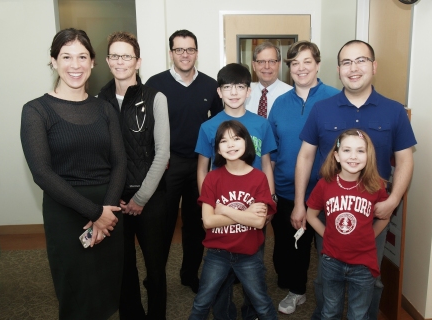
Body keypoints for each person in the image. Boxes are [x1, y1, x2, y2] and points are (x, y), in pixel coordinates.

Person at [295, 40, 416, 319]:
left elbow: (406, 160)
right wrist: (301, 203)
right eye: (346, 62)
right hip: (328, 212)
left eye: (360, 60)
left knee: (370, 279)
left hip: (373, 213)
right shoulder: (321, 109)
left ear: (373, 66)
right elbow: (305, 157)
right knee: (327, 277)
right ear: (338, 70)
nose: (353, 68)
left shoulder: (394, 111)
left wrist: (394, 200)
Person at [20, 28, 127, 319]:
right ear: (53, 61)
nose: (75, 65)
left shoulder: (105, 109)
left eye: (82, 57)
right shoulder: (36, 111)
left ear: (93, 62)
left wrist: (106, 212)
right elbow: (42, 173)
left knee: (106, 293)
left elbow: (119, 163)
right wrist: (95, 213)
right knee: (76, 295)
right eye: (66, 57)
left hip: (108, 211)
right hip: (66, 214)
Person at [97, 32, 170, 319]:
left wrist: (140, 198)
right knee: (123, 267)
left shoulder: (155, 97)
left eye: (126, 55)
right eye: (114, 55)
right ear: (107, 60)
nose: (120, 61)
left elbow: (162, 153)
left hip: (150, 197)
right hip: (113, 200)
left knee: (155, 266)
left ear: (138, 61)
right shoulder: (98, 100)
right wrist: (113, 198)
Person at [195, 63, 277, 319]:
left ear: (248, 91)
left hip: (254, 206)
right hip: (221, 207)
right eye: (227, 87)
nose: (233, 92)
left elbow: (266, 164)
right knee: (219, 277)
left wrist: (270, 200)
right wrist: (207, 203)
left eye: (240, 87)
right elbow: (202, 169)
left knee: (254, 272)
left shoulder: (261, 124)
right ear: (219, 92)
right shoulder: (209, 126)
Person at [145, 29, 223, 293]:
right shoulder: (155, 84)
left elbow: (220, 124)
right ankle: (155, 276)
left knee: (195, 224)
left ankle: (189, 274)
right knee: (162, 224)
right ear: (171, 54)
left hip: (201, 165)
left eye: (190, 49)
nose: (185, 54)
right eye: (179, 50)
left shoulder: (211, 86)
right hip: (167, 165)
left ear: (197, 53)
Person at [267, 40, 339, 315]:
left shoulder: (335, 99)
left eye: (307, 61)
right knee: (290, 248)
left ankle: (328, 297)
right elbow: (271, 154)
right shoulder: (280, 103)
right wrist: (270, 189)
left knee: (328, 250)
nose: (301, 68)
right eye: (294, 63)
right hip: (287, 189)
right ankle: (296, 290)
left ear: (318, 65)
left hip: (327, 191)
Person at [306, 129, 389, 319]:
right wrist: (329, 234)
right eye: (347, 150)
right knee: (330, 311)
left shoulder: (376, 185)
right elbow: (311, 215)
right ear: (336, 155)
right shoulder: (325, 184)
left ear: (368, 156)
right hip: (331, 261)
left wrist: (369, 236)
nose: (353, 156)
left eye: (360, 151)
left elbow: (384, 217)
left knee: (358, 314)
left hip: (363, 264)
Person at [245, 41, 292, 118]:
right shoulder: (244, 93)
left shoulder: (290, 94)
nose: (267, 66)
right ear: (254, 65)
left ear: (279, 64)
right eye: (261, 62)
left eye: (272, 61)